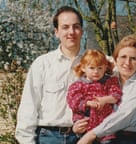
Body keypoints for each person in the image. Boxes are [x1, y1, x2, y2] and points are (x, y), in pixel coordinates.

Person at [15, 6, 88, 144]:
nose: (71, 32)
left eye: (76, 26)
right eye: (65, 27)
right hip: (49, 137)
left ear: (82, 31)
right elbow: (29, 106)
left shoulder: (97, 63)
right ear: (56, 32)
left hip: (86, 137)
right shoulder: (42, 64)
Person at [76, 35, 136, 144]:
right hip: (101, 138)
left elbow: (126, 114)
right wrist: (78, 126)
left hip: (128, 139)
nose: (127, 62)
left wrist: (91, 135)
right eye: (123, 57)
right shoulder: (107, 80)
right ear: (116, 59)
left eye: (133, 58)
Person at [67, 49, 122, 144]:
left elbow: (117, 95)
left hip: (105, 124)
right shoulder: (78, 85)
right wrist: (87, 102)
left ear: (105, 68)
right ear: (84, 68)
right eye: (92, 68)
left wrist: (105, 100)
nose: (96, 71)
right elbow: (73, 100)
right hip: (86, 124)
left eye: (100, 68)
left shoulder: (109, 82)